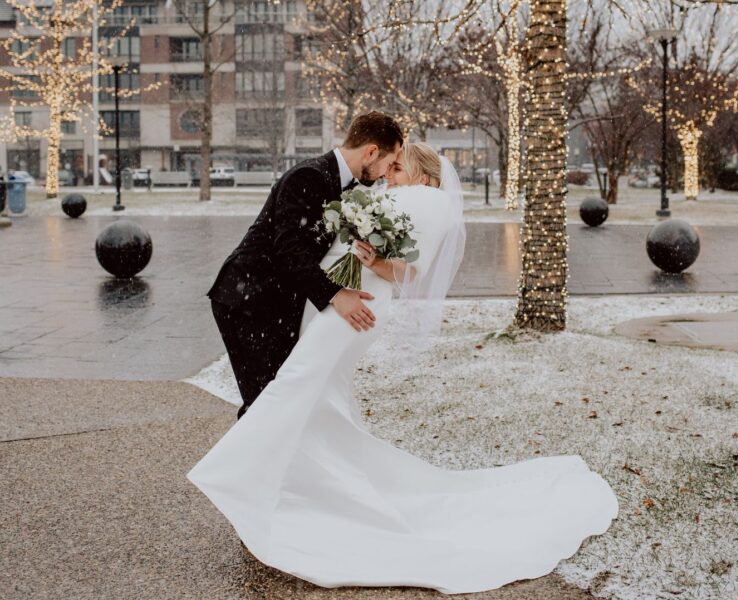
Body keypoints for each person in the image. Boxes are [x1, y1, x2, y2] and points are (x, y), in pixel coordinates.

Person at [187, 141, 619, 595]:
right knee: (318, 394)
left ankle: (241, 473)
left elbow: (410, 272)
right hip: (341, 301)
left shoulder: (425, 201)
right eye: (390, 166)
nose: (390, 174)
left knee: (300, 381)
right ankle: (308, 483)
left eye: (399, 167)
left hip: (357, 308)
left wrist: (374, 259)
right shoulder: (403, 198)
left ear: (425, 175)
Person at [206, 112, 404, 419]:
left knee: (281, 399)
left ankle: (265, 463)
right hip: (248, 299)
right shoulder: (308, 176)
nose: (385, 173)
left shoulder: (347, 186)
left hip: (279, 302)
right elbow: (288, 249)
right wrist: (337, 295)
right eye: (388, 163)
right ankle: (246, 465)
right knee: (267, 404)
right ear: (371, 151)